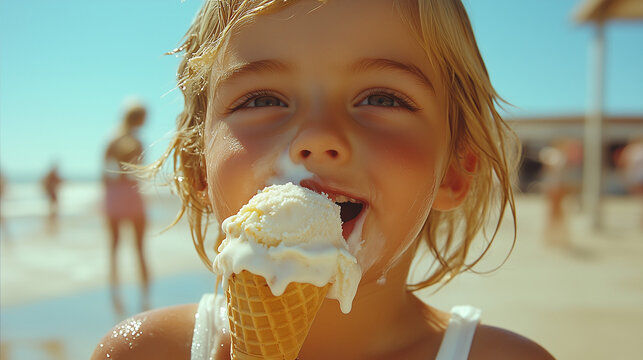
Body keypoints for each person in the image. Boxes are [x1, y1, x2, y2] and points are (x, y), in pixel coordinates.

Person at [92, 1, 553, 359]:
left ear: (453, 170)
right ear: (197, 167)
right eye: (261, 99)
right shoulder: (143, 354)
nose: (316, 137)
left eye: (382, 98)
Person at [102, 100, 150, 316]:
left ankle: (115, 293)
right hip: (131, 193)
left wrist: (112, 188)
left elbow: (104, 171)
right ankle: (145, 293)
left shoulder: (112, 138)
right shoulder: (137, 141)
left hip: (114, 194)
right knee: (139, 247)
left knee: (114, 247)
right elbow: (140, 170)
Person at [41, 164, 63, 233]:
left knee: (53, 206)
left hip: (52, 192)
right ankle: (51, 219)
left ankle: (52, 219)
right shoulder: (51, 174)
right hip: (51, 192)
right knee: (53, 206)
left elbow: (58, 180)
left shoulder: (52, 174)